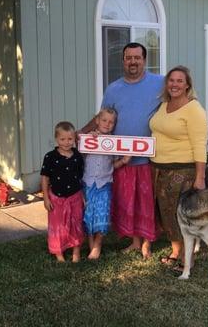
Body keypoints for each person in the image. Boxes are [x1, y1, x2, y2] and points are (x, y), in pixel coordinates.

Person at [80, 42, 163, 258]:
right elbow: (102, 116)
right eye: (129, 57)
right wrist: (82, 133)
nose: (133, 61)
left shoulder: (159, 83)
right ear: (123, 60)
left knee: (146, 202)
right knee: (129, 201)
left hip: (147, 157)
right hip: (119, 157)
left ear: (144, 60)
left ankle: (147, 243)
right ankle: (135, 241)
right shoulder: (113, 88)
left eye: (137, 57)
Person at [149, 65, 208, 271]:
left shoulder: (194, 109)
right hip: (158, 169)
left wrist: (200, 177)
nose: (174, 84)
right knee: (166, 215)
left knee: (180, 215)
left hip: (182, 171)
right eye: (171, 80)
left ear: (187, 85)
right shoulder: (164, 105)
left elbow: (199, 145)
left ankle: (186, 258)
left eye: (179, 81)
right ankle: (175, 251)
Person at [82, 108, 131, 260]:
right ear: (97, 121)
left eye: (111, 122)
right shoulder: (89, 138)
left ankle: (97, 246)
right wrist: (89, 139)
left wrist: (123, 161)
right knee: (89, 215)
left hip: (104, 184)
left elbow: (113, 164)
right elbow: (80, 157)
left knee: (102, 215)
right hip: (88, 182)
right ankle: (91, 245)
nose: (107, 124)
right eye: (104, 120)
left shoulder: (114, 142)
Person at [41, 121, 86, 263]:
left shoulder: (78, 156)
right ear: (56, 139)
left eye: (70, 139)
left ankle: (76, 251)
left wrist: (83, 196)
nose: (66, 142)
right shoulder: (50, 157)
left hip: (75, 197)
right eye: (62, 139)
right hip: (56, 198)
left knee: (76, 224)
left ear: (74, 139)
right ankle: (58, 252)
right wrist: (46, 198)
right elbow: (45, 178)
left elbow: (80, 178)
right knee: (57, 226)